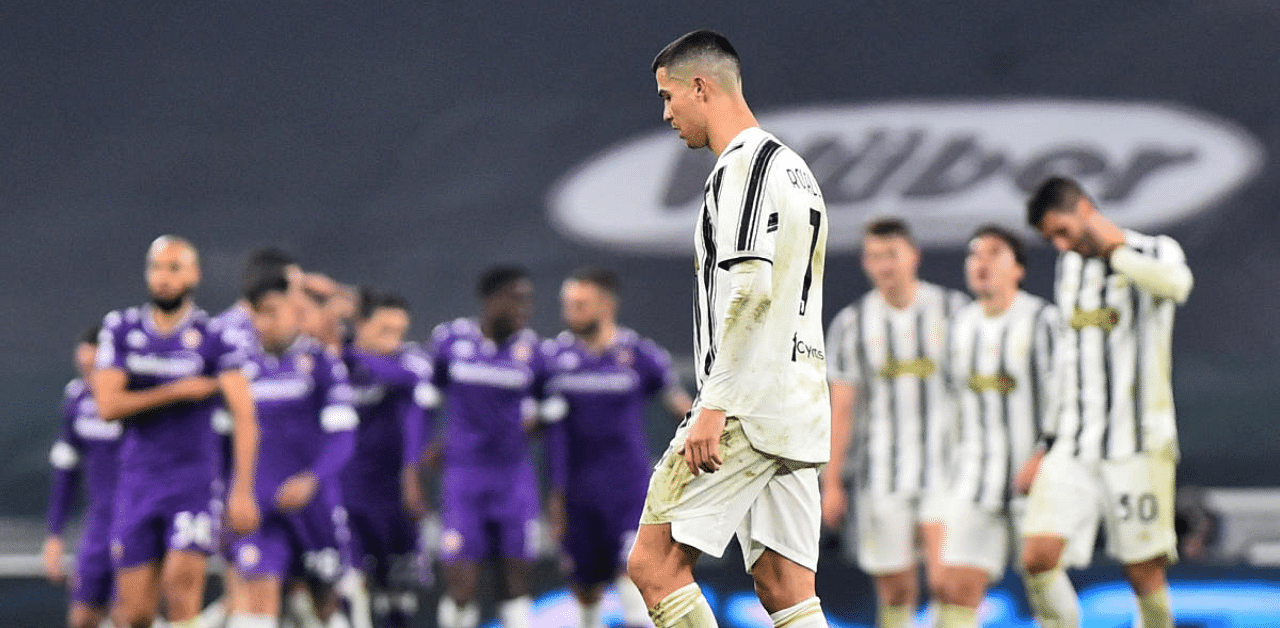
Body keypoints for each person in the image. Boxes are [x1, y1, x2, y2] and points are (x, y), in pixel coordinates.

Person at [627, 30, 832, 628]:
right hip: (795, 408)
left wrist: (712, 405)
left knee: (653, 565)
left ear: (701, 86)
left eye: (669, 97)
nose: (666, 114)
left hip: (744, 404)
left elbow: (750, 288)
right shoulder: (794, 169)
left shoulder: (742, 167)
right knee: (784, 587)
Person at [1020, 176, 1193, 628]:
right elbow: (1069, 362)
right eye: (1050, 238)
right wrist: (1047, 442)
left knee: (1143, 573)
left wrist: (1118, 254)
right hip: (1075, 447)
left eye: (1063, 231)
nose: (1060, 245)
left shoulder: (1154, 250)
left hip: (1136, 447)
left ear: (1085, 209)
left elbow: (1178, 286)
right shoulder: (1070, 269)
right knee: (1037, 558)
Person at [91, 235, 260, 628]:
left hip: (193, 482)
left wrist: (243, 489)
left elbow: (245, 414)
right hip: (138, 480)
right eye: (156, 268)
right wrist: (176, 391)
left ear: (194, 275)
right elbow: (108, 406)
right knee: (134, 613)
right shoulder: (121, 329)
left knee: (181, 591)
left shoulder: (215, 337)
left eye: (174, 268)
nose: (164, 278)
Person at [823, 218, 968, 628]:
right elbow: (843, 408)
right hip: (881, 476)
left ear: (913, 256)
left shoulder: (953, 312)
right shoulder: (852, 325)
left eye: (891, 255)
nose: (884, 265)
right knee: (896, 593)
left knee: (948, 583)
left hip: (946, 470)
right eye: (874, 257)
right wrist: (831, 482)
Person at [542, 267, 692, 628]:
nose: (571, 312)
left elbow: (681, 407)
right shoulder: (550, 359)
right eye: (568, 304)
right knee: (586, 587)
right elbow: (527, 421)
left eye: (581, 304)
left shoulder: (638, 354)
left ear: (606, 305)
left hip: (628, 489)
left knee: (633, 573)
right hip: (575, 492)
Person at [934, 226, 1066, 628]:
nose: (982, 262)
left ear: (1019, 269)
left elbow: (1068, 398)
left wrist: (1045, 456)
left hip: (1036, 479)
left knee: (1043, 578)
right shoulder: (959, 326)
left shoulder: (1043, 320)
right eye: (975, 254)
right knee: (955, 588)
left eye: (995, 253)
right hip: (975, 480)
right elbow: (952, 406)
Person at [225, 273, 358, 628]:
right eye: (261, 314)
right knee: (255, 600)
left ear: (296, 314)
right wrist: (230, 492)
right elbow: (220, 441)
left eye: (277, 312)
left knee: (325, 605)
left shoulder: (322, 365)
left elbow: (344, 438)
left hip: (314, 505)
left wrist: (312, 479)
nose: (268, 322)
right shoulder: (235, 368)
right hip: (258, 507)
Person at [429, 265, 549, 628]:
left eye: (527, 301)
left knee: (515, 583)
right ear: (491, 300)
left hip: (513, 482)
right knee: (461, 585)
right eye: (515, 300)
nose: (523, 310)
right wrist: (427, 448)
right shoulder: (451, 342)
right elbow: (425, 402)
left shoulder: (534, 353)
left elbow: (550, 411)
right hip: (464, 480)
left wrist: (530, 424)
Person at [340, 288, 438, 628]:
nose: (394, 341)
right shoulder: (331, 362)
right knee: (348, 588)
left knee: (398, 595)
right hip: (343, 493)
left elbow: (406, 378)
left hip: (394, 496)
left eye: (400, 332)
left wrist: (350, 352)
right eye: (385, 331)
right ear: (360, 324)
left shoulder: (410, 361)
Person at [43, 326, 122, 628]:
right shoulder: (76, 398)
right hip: (98, 527)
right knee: (82, 616)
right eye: (84, 368)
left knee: (129, 614)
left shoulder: (138, 402)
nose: (90, 376)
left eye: (96, 369)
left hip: (135, 521)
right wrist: (54, 535)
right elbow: (66, 469)